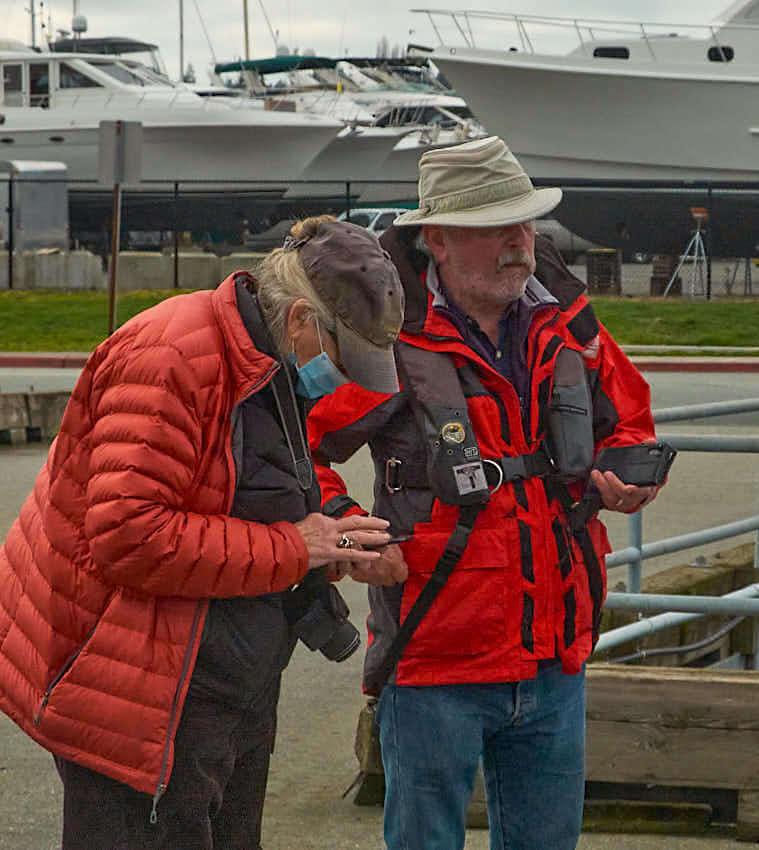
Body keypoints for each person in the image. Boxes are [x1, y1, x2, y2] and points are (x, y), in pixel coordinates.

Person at [0, 216, 409, 849]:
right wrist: (295, 547)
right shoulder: (171, 355)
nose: (347, 379)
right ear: (301, 318)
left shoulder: (263, 353)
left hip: (213, 679)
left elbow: (249, 493)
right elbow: (129, 535)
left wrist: (334, 544)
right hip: (136, 690)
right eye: (343, 357)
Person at [307, 136, 665, 849]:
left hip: (554, 653)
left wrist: (626, 478)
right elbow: (291, 452)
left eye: (524, 224)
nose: (517, 244)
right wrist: (346, 527)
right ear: (434, 240)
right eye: (494, 227)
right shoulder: (386, 338)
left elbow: (629, 424)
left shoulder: (567, 323)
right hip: (437, 652)